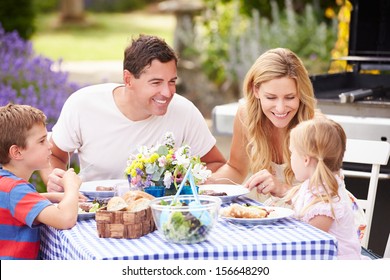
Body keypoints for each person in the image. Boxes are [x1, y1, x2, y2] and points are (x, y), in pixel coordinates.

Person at [40, 34, 226, 192]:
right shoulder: (83, 104)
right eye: (156, 82)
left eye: (172, 81)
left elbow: (216, 164)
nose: (168, 92)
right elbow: (54, 155)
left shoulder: (184, 111)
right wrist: (55, 179)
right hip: (95, 212)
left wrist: (189, 183)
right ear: (128, 79)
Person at [211, 48, 317, 203]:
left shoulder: (315, 127)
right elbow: (236, 169)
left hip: (313, 219)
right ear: (256, 90)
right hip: (271, 215)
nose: (280, 108)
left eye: (289, 97)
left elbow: (325, 200)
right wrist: (208, 183)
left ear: (300, 93)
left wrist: (282, 189)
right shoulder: (246, 115)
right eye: (271, 97)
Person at [0, 103, 81, 260]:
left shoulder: (6, 184)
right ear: (16, 152)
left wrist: (52, 197)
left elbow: (13, 203)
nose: (50, 145)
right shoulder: (15, 189)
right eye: (42, 141)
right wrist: (71, 186)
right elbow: (65, 219)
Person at [284, 117, 368, 259]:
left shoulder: (326, 204)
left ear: (306, 159)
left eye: (292, 153)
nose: (290, 158)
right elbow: (301, 207)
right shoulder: (315, 185)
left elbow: (304, 243)